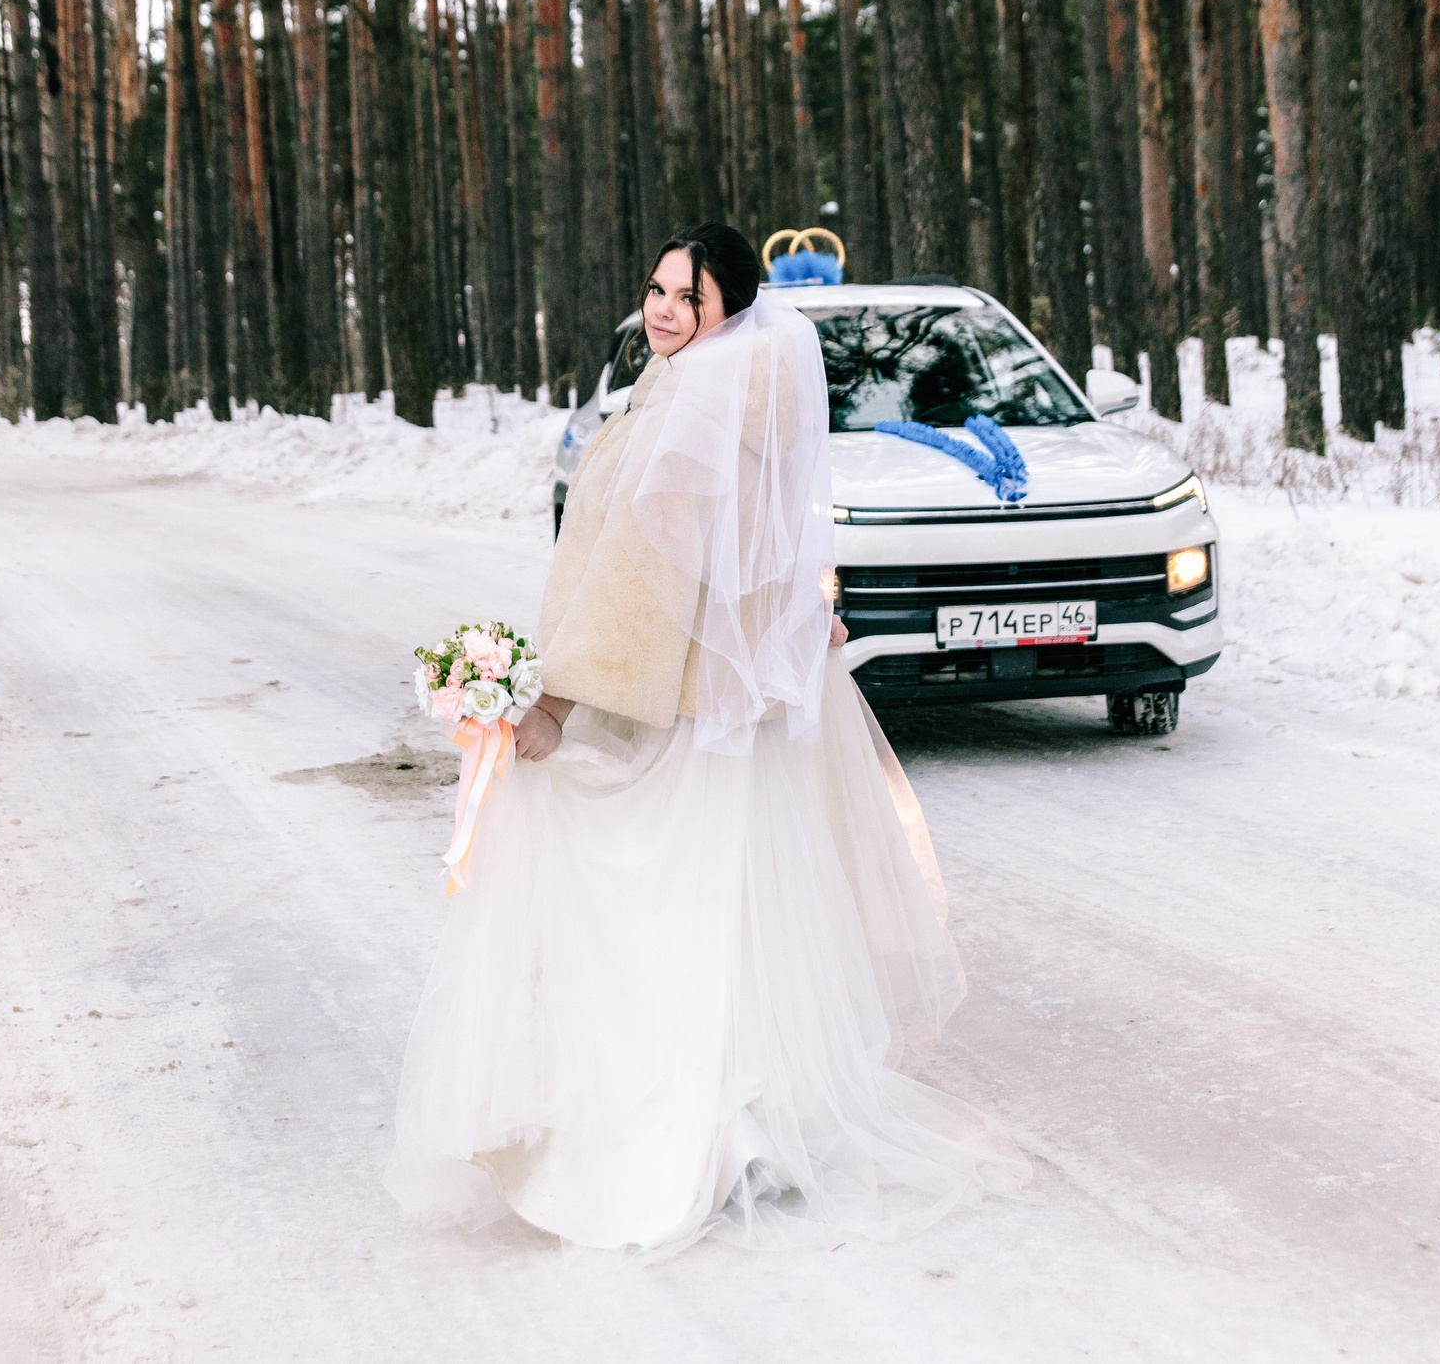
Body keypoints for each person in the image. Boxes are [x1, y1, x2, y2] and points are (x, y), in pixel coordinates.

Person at [387, 223, 1028, 1253]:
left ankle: (706, 1136)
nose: (664, 309)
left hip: (685, 715)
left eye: (689, 296)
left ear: (730, 308)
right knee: (734, 919)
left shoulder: (698, 408)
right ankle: (756, 1125)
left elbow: (642, 580)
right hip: (736, 713)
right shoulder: (710, 393)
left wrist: (557, 701)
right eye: (656, 288)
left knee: (668, 910)